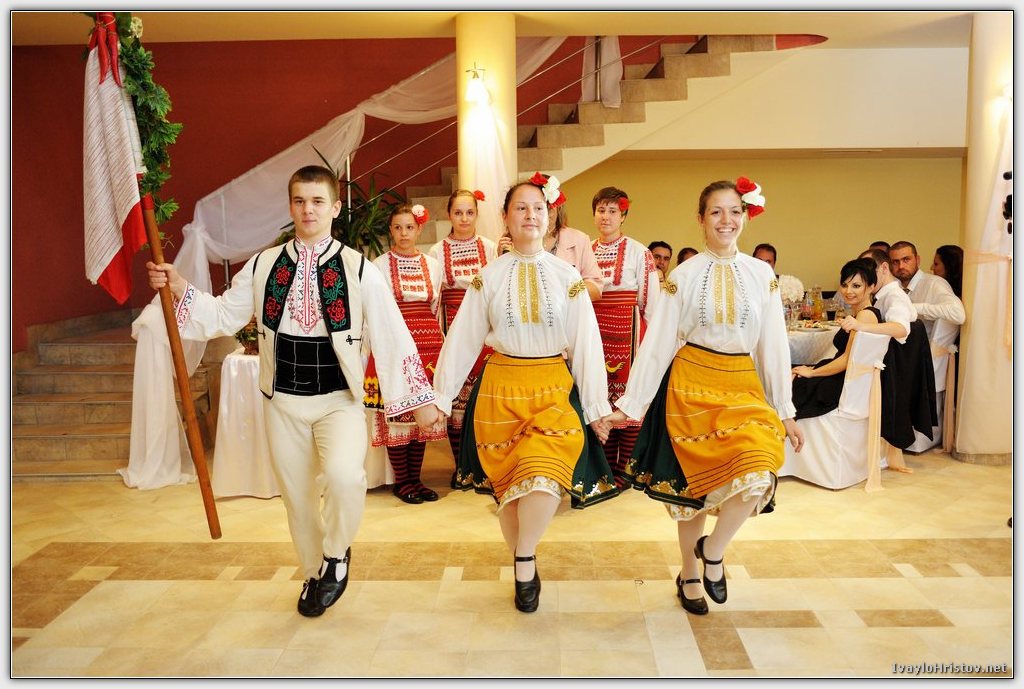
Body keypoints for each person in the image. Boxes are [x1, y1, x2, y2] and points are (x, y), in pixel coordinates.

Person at [146, 165, 440, 618]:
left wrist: (418, 401)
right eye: (300, 201)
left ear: (335, 208)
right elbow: (224, 314)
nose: (308, 210)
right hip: (282, 400)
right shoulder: (264, 265)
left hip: (339, 400)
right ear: (290, 207)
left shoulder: (359, 268)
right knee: (298, 498)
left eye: (318, 201)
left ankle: (337, 554)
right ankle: (313, 570)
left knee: (345, 478)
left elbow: (391, 333)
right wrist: (179, 286)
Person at [605, 177, 804, 617]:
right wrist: (631, 405)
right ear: (700, 219)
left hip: (741, 385)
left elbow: (773, 344)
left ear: (745, 216)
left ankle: (712, 550)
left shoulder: (762, 275)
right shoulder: (684, 275)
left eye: (734, 211)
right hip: (690, 385)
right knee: (689, 490)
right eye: (716, 211)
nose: (726, 220)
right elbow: (658, 342)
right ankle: (690, 573)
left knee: (759, 468)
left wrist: (784, 409)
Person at [432, 174, 619, 614]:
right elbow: (461, 341)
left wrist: (596, 407)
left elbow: (586, 342)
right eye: (521, 207)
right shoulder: (487, 278)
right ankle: (524, 561)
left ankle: (524, 555)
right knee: (511, 491)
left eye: (538, 207)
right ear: (505, 217)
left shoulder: (567, 275)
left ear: (549, 216)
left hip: (553, 388)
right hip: (500, 390)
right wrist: (441, 398)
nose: (530, 215)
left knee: (547, 477)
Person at [364, 204, 448, 504]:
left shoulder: (433, 265)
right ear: (390, 230)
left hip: (429, 346)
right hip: (395, 346)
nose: (403, 233)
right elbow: (374, 311)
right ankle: (403, 481)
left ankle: (417, 479)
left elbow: (436, 307)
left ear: (419, 229)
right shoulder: (378, 266)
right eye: (398, 227)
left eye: (409, 227)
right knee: (399, 413)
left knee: (421, 416)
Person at [590, 186, 660, 488]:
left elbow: (651, 303)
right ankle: (605, 469)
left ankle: (625, 470)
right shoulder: (586, 251)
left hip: (628, 334)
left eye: (612, 211)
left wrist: (649, 344)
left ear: (623, 216)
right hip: (595, 334)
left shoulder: (639, 252)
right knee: (599, 399)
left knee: (627, 400)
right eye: (600, 210)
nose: (605, 217)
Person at [429, 190, 499, 486]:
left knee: (482, 400)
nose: (464, 218)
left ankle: (484, 467)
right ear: (449, 215)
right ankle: (461, 467)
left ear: (477, 215)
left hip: (483, 331)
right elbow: (435, 298)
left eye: (469, 212)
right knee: (455, 399)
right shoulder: (437, 252)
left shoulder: (490, 248)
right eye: (458, 213)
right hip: (452, 329)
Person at [791, 258, 884, 418]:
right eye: (844, 285)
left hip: (841, 382)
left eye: (856, 286)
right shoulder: (859, 314)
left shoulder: (865, 316)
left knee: (787, 387)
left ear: (871, 287)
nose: (848, 291)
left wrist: (813, 373)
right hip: (839, 375)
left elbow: (847, 359)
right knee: (790, 374)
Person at [499, 184, 603, 302]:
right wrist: (502, 259)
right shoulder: (512, 238)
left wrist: (563, 291)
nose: (532, 215)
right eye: (522, 208)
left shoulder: (579, 239)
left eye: (541, 208)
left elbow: (595, 287)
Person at [889, 240, 966, 342]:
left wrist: (913, 308)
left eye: (906, 259)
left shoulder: (935, 283)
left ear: (917, 260)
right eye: (895, 262)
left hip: (927, 350)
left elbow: (958, 314)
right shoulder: (892, 287)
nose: (901, 266)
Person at [857, 248, 914, 344]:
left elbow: (901, 328)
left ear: (884, 268)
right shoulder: (880, 296)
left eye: (868, 272)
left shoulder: (895, 296)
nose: (865, 278)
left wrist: (860, 326)